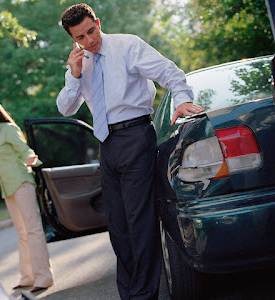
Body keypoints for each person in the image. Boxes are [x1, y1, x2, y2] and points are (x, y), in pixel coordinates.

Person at [57, 4, 205, 300]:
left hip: (136, 136)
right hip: (107, 145)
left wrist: (182, 99)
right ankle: (130, 294)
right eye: (81, 37)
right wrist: (73, 76)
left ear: (98, 22)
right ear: (73, 39)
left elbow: (168, 71)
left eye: (91, 31)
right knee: (119, 227)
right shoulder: (79, 63)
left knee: (141, 223)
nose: (89, 40)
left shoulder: (127, 46)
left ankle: (144, 295)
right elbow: (65, 107)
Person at [0, 98, 54, 293]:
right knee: (23, 234)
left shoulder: (8, 129)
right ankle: (28, 277)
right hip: (8, 188)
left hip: (21, 184)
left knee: (33, 230)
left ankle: (44, 277)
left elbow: (24, 151)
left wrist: (31, 159)